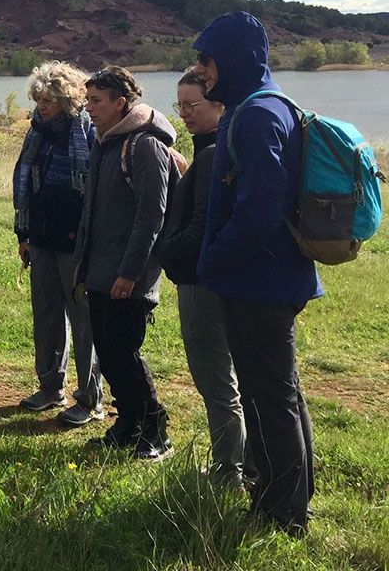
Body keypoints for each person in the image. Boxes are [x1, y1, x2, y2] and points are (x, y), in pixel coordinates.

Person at [192, 11, 321, 535]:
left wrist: (213, 259)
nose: (200, 72)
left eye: (207, 61)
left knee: (268, 400)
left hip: (258, 283)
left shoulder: (256, 114)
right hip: (270, 278)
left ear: (235, 60)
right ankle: (294, 496)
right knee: (280, 392)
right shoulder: (267, 105)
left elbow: (259, 212)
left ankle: (278, 511)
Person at [74, 66, 177, 460]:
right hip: (100, 273)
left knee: (124, 354)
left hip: (127, 276)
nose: (89, 108)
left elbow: (153, 215)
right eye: (87, 100)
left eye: (96, 101)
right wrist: (83, 269)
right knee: (109, 353)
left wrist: (130, 274)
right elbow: (92, 213)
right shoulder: (104, 142)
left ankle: (155, 431)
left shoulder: (144, 145)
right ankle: (128, 424)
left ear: (121, 103)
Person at [158, 68, 245, 489]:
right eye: (180, 105)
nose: (185, 113)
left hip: (200, 282)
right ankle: (242, 464)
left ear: (220, 105)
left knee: (216, 380)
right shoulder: (215, 151)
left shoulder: (213, 156)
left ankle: (230, 470)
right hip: (215, 280)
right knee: (228, 378)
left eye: (193, 105)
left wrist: (157, 252)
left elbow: (199, 229)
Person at [12, 61, 103, 427]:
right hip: (41, 239)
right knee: (46, 315)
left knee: (83, 321)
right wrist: (24, 236)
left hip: (75, 244)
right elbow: (25, 184)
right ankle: (51, 388)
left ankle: (90, 398)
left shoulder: (87, 132)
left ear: (68, 99)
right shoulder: (37, 133)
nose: (41, 106)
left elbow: (93, 194)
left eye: (48, 99)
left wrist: (85, 243)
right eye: (37, 99)